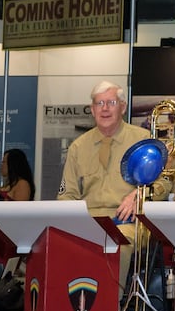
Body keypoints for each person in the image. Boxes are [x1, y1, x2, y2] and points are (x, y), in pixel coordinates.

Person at [58, 80, 165, 291]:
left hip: (129, 222)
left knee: (114, 244)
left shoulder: (143, 140)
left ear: (123, 107)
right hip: (90, 220)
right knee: (58, 244)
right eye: (99, 103)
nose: (105, 108)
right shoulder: (78, 147)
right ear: (92, 109)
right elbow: (67, 195)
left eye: (111, 102)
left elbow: (164, 182)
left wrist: (139, 194)